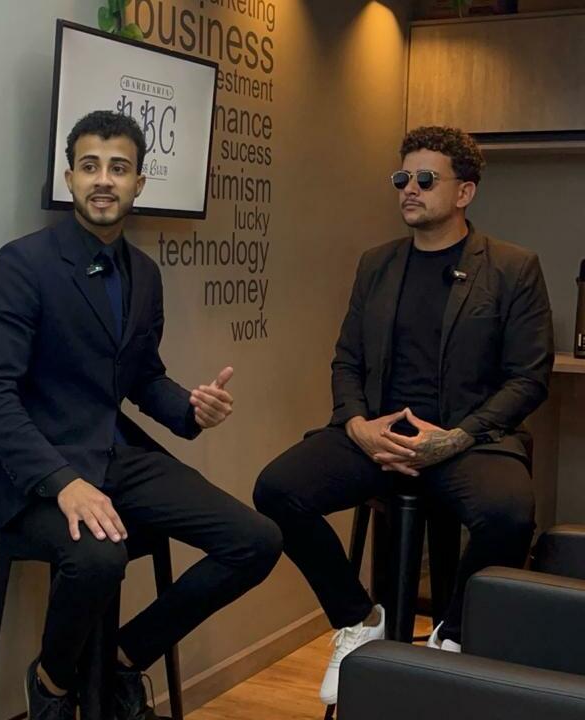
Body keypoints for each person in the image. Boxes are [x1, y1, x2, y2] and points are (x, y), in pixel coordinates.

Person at [0, 110, 282, 720]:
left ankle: (120, 659)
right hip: (40, 470)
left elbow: (141, 377)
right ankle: (52, 685)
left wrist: (190, 408)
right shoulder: (22, 264)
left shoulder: (145, 273)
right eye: (89, 167)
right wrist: (62, 482)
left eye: (118, 168)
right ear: (69, 179)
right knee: (100, 557)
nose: (103, 180)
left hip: (118, 456)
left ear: (139, 183)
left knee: (256, 540)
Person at [253, 125, 553, 706]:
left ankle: (454, 635)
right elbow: (346, 359)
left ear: (464, 192)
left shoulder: (512, 268)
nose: (408, 189)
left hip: (467, 440)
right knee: (277, 490)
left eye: (425, 179)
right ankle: (360, 619)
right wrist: (357, 425)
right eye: (401, 178)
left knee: (510, 515)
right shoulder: (377, 265)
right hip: (379, 436)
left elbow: (527, 378)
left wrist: (458, 436)